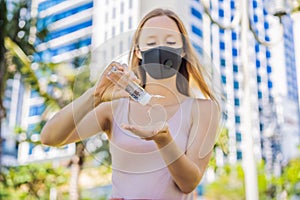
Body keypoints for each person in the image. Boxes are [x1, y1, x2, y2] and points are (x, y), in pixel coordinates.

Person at [41, 8, 221, 200]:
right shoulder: (116, 107)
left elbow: (188, 184)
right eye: (151, 43)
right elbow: (50, 137)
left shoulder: (203, 109)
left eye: (170, 42)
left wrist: (163, 139)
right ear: (138, 51)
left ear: (183, 50)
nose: (160, 48)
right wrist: (95, 95)